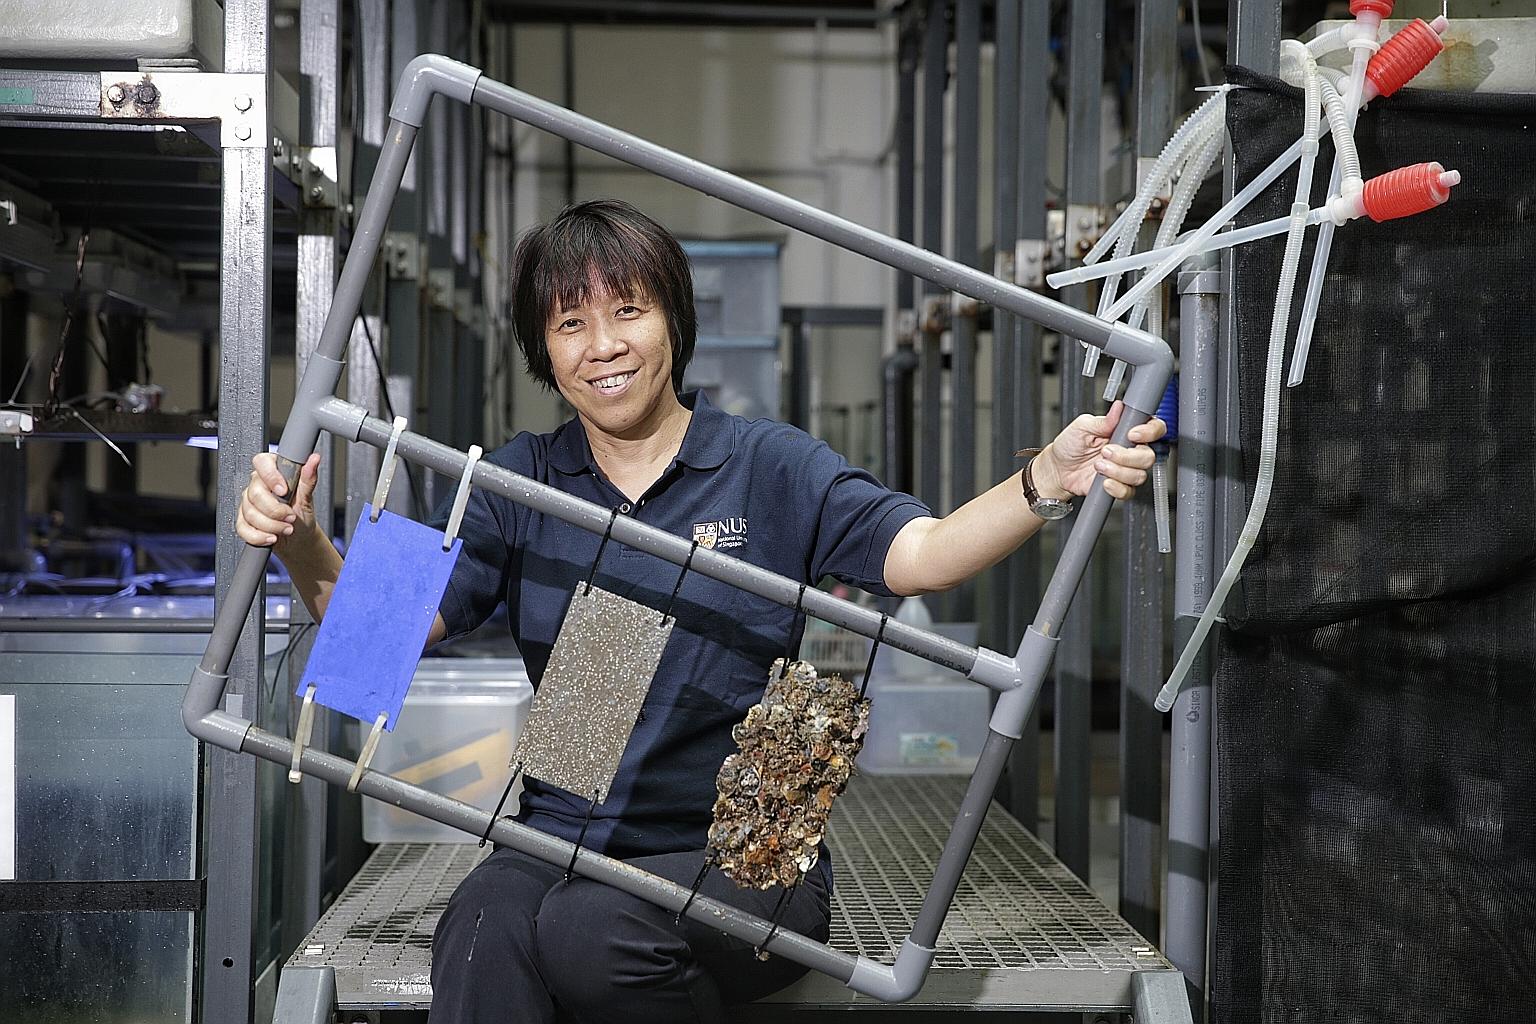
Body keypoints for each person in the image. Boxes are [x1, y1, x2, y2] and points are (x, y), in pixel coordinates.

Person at [237, 199, 1164, 1024]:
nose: (603, 346)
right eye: (570, 324)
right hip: (564, 833)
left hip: (744, 851)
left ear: (673, 320)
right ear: (541, 348)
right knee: (479, 932)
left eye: (628, 311)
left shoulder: (767, 464)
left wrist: (1046, 479)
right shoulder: (519, 475)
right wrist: (298, 540)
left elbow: (920, 558)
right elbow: (374, 639)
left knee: (590, 930)